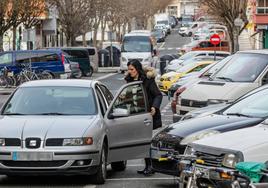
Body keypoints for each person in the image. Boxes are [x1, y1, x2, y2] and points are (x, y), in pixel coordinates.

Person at [125, 59, 162, 176]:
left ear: (137, 69)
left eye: (132, 69)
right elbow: (128, 98)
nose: (130, 72)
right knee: (142, 142)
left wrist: (154, 107)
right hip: (135, 115)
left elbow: (158, 95)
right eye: (128, 69)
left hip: (146, 116)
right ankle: (148, 165)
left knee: (146, 141)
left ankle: (150, 166)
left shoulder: (147, 80)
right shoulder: (129, 80)